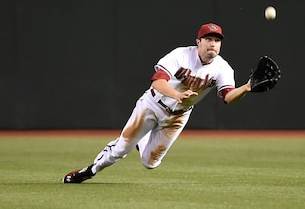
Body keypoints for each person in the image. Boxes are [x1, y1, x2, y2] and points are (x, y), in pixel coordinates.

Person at [62, 23, 251, 183]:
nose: (213, 44)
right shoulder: (181, 55)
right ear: (198, 42)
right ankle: (91, 170)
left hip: (178, 117)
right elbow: (158, 81)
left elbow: (228, 97)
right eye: (208, 39)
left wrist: (247, 87)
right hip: (152, 105)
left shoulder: (223, 68)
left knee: (150, 163)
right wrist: (176, 95)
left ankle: (142, 141)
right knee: (120, 149)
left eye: (217, 41)